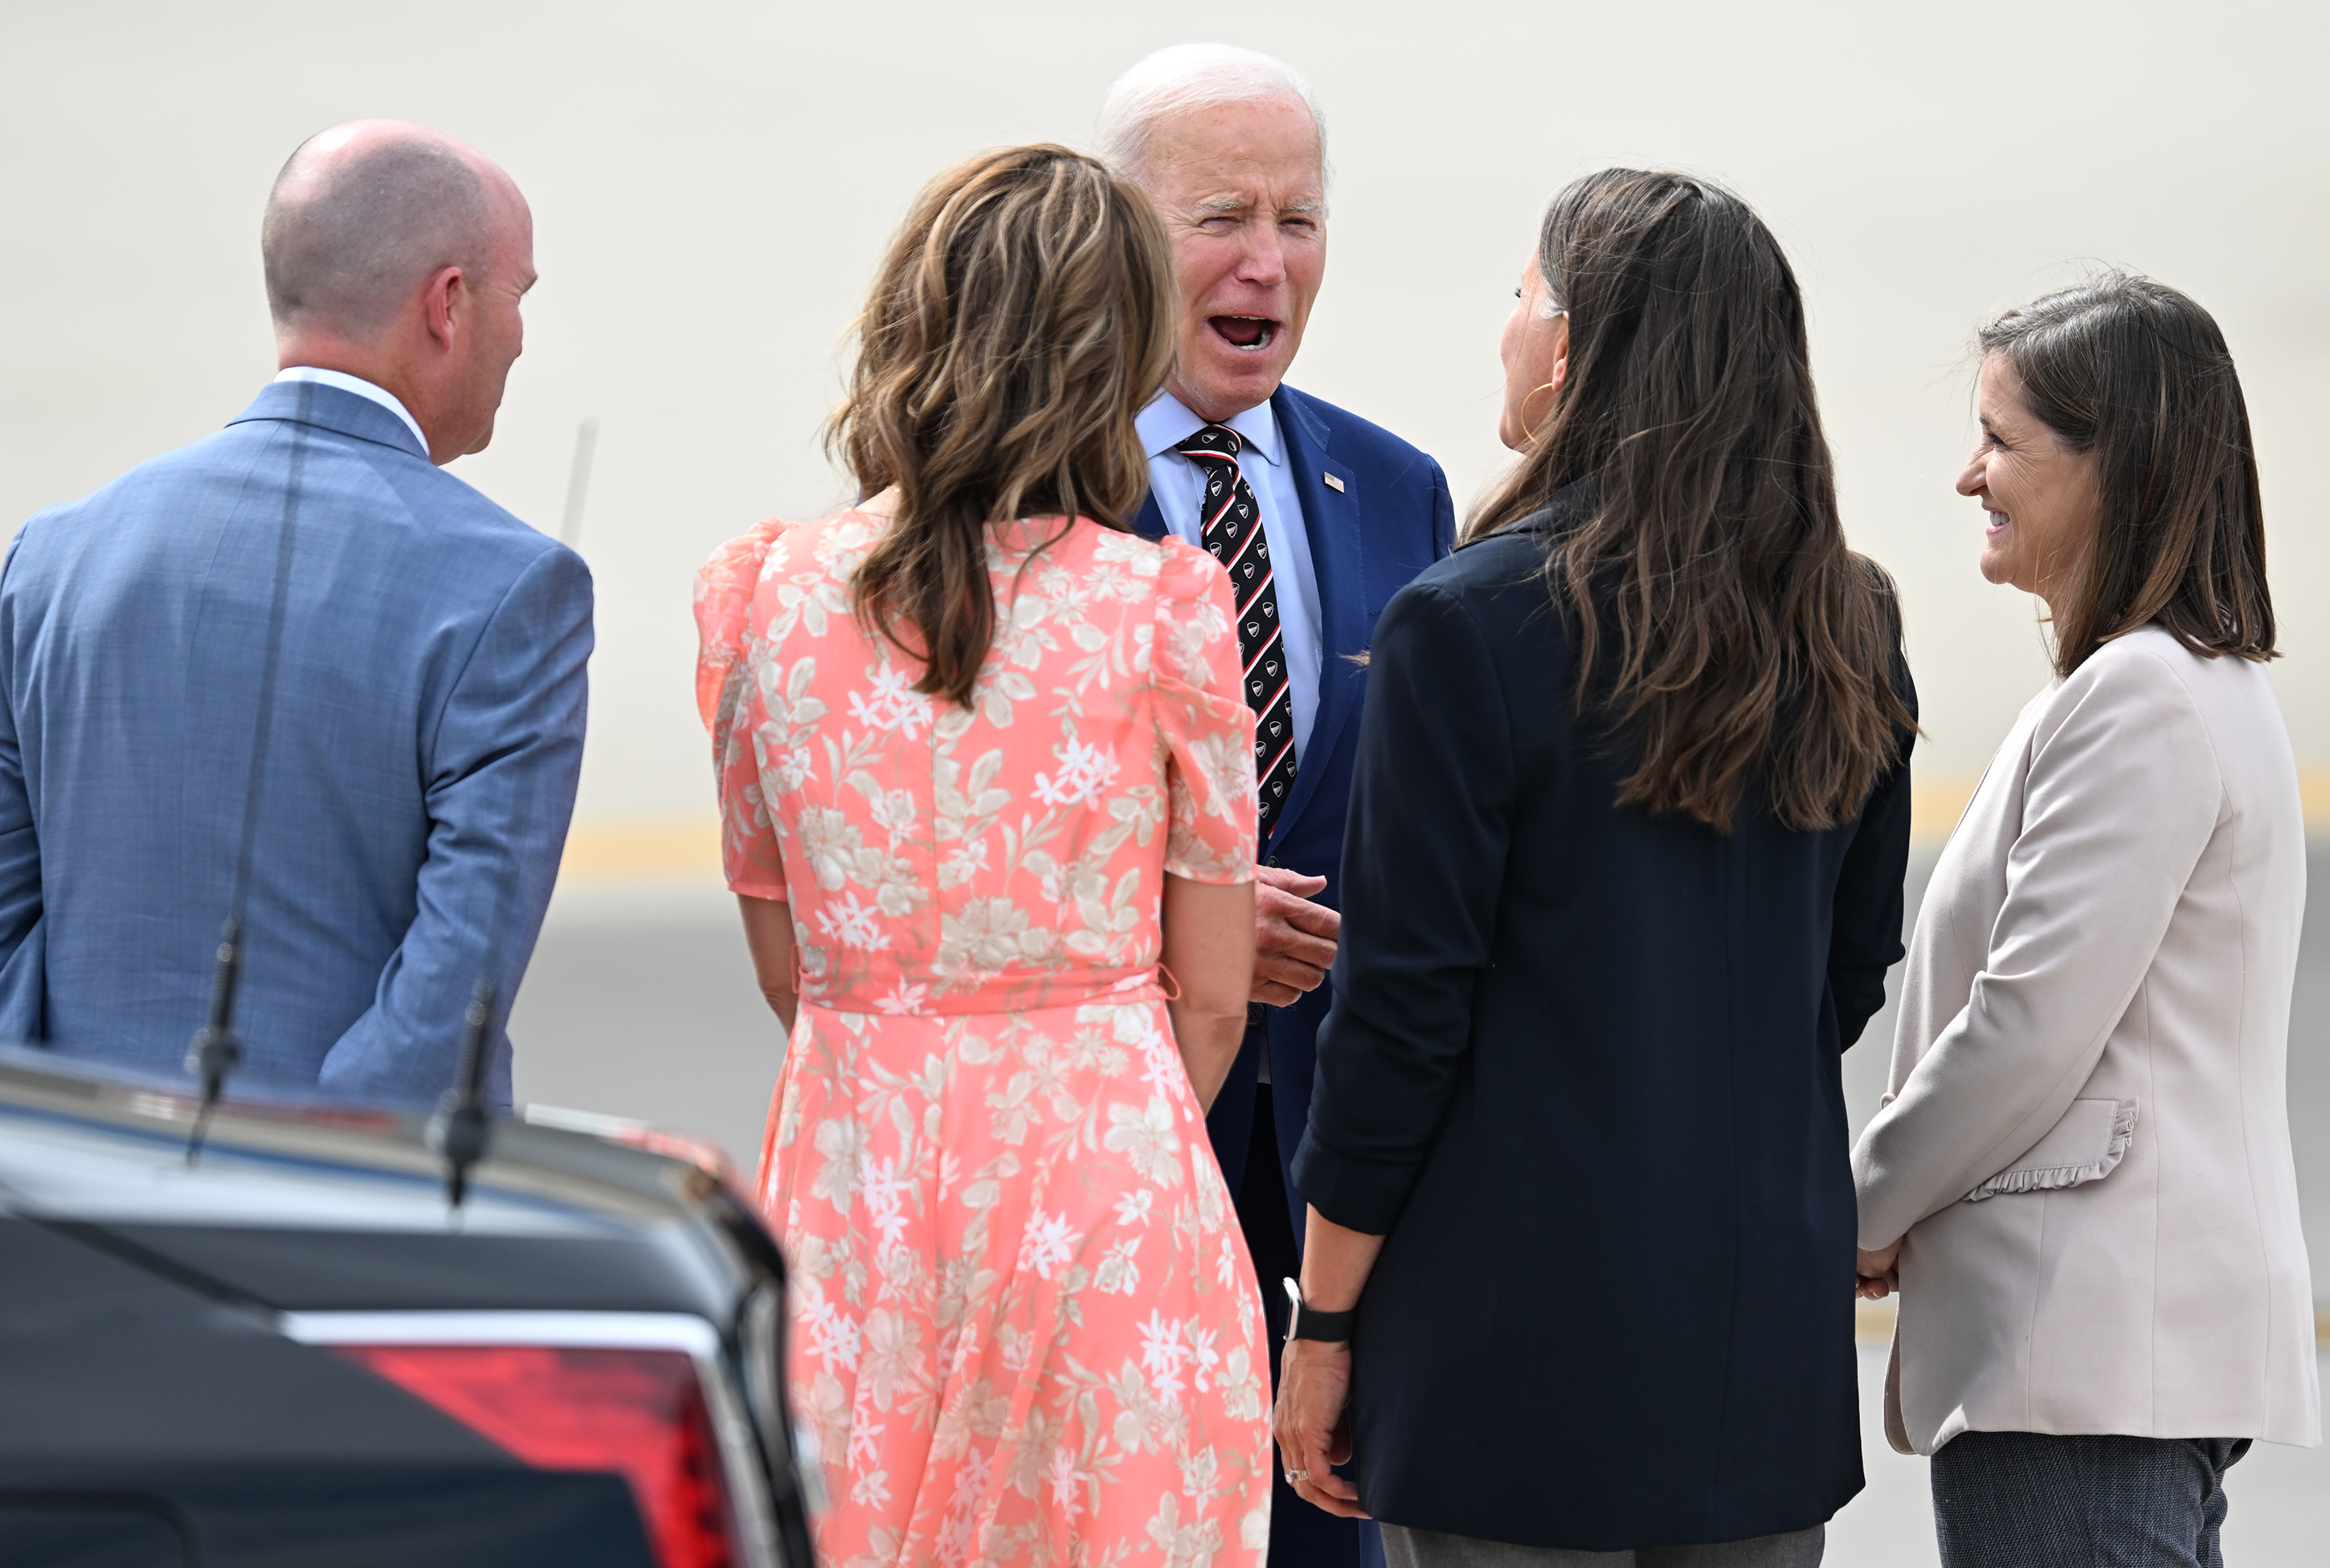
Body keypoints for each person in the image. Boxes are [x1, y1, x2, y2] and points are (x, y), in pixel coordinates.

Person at [1273, 170, 1917, 1567]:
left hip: (1508, 1344)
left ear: (1567, 347)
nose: (1505, 327)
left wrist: (1324, 1318)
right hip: (1760, 1334)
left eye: (1521, 297)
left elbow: (1399, 1014)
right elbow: (1853, 964)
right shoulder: (1853, 622)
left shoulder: (1466, 622)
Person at [695, 145, 1271, 1566]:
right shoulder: (1165, 610)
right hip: (1104, 1199)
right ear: (1118, 351)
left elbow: (786, 963)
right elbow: (1210, 997)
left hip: (853, 1198)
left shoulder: (760, 594)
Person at [1850, 276, 2318, 1568]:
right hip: (2117, 1358)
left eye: (2001, 441)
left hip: (2081, 1353)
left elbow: (2027, 1025)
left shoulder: (2140, 698)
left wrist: (1866, 1207)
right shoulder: (2189, 687)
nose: (1968, 477)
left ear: (2120, 467)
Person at [0, 120, 589, 1105]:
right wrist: (293, 1183)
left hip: (66, 1211)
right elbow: (454, 994)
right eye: (518, 295)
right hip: (326, 1227)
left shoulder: (50, 558)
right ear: (448, 303)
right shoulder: (513, 589)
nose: (523, 333)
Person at [1096, 45, 1453, 1566]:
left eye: (1298, 220)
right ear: (1115, 230)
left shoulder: (1401, 486)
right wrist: (1187, 926)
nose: (1267, 262)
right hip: (1114, 1147)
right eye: (1221, 216)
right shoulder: (1026, 487)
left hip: (1333, 1169)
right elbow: (951, 834)